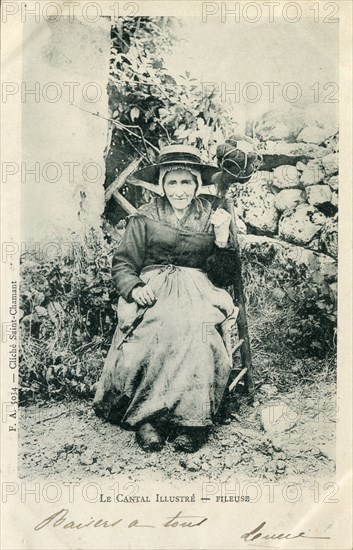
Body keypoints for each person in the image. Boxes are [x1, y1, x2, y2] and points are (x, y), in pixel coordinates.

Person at [93, 144, 238, 453]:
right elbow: (123, 263)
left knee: (197, 328)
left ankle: (193, 420)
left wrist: (222, 240)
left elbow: (225, 276)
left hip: (199, 288)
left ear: (197, 184)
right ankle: (148, 418)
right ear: (161, 184)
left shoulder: (212, 215)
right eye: (172, 182)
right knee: (155, 326)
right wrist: (133, 287)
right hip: (153, 286)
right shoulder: (144, 217)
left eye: (186, 182)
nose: (179, 190)